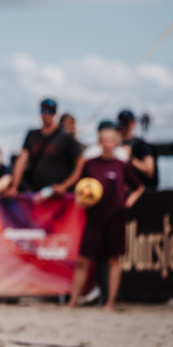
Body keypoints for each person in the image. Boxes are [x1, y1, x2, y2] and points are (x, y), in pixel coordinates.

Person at [67, 122, 144, 311]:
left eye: (110, 140)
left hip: (115, 218)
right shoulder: (90, 164)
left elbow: (139, 187)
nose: (106, 143)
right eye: (103, 139)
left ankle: (110, 303)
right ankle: (73, 301)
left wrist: (130, 200)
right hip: (94, 219)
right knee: (83, 260)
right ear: (99, 142)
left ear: (115, 143)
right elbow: (79, 190)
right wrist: (81, 200)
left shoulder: (121, 165)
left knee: (114, 260)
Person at [4, 98, 84, 198]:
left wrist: (64, 186)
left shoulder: (66, 137)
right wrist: (14, 186)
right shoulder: (32, 135)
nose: (46, 114)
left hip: (59, 198)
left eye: (50, 111)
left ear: (55, 113)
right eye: (43, 110)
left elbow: (80, 164)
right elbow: (21, 161)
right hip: (36, 194)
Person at [118, 109, 157, 190]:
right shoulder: (114, 145)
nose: (123, 124)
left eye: (126, 121)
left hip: (139, 191)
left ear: (133, 123)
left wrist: (131, 158)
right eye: (120, 121)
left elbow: (150, 171)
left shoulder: (140, 144)